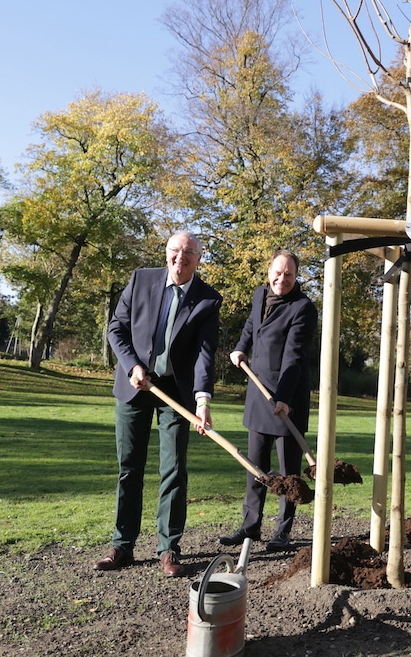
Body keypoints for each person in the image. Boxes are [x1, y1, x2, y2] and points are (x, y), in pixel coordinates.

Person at [93, 231, 222, 578]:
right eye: (175, 251)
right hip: (135, 384)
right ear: (166, 254)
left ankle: (169, 549)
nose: (181, 257)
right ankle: (123, 545)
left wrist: (202, 399)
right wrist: (133, 365)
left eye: (189, 253)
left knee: (174, 469)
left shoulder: (208, 300)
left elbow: (204, 355)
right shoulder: (140, 280)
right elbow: (116, 329)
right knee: (129, 468)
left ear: (198, 258)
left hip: (175, 394)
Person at [220, 249, 318, 552]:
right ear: (269, 271)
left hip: (286, 397)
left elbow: (293, 355)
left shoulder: (303, 308)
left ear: (296, 276)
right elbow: (252, 325)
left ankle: (283, 532)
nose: (282, 279)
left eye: (289, 274)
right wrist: (240, 347)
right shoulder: (260, 294)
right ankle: (250, 528)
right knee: (255, 468)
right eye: (278, 272)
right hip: (258, 391)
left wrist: (284, 398)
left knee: (288, 473)